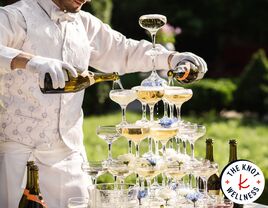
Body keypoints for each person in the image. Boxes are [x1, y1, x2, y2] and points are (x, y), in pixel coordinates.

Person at [0, 0, 207, 207]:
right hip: (20, 160)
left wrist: (172, 58)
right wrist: (28, 61)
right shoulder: (15, 16)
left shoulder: (85, 23)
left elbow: (123, 51)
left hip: (71, 159)